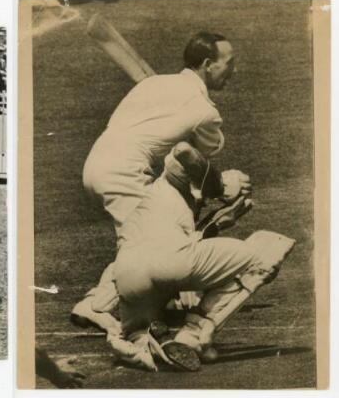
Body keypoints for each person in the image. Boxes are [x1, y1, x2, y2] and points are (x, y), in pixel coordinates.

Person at [71, 32, 238, 332]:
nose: (233, 71)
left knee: (143, 240)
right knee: (152, 244)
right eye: (229, 63)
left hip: (96, 162)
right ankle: (97, 306)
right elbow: (200, 155)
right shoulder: (205, 112)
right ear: (208, 64)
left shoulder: (153, 83)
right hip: (126, 171)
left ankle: (136, 302)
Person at [109, 143, 293, 371]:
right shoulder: (174, 177)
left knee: (139, 331)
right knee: (265, 252)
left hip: (127, 276)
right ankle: (195, 335)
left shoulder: (159, 200)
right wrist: (220, 185)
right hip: (167, 265)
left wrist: (218, 217)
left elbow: (186, 246)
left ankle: (140, 343)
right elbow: (185, 152)